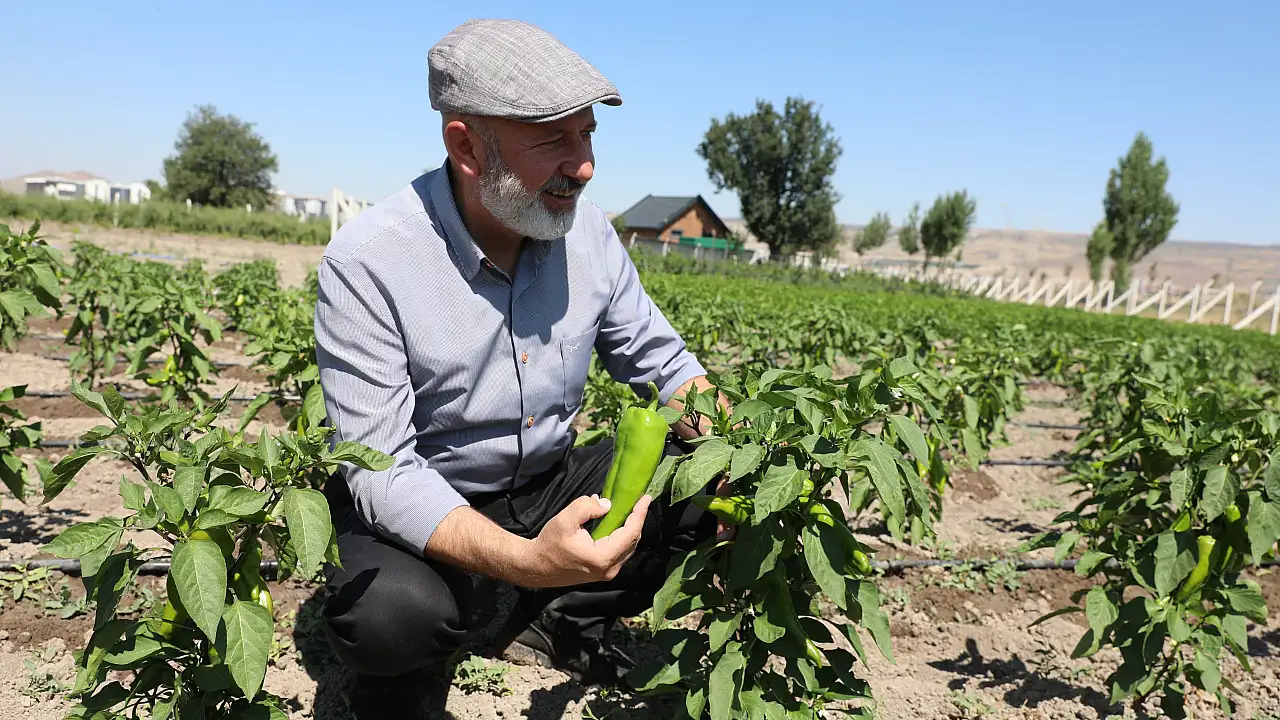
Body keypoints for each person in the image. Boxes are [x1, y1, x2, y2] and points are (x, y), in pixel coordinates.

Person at [313, 18, 731, 719]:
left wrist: (739, 457)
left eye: (587, 134)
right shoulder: (370, 262)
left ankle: (555, 621)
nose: (584, 165)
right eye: (552, 140)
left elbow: (662, 365)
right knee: (389, 614)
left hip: (546, 483)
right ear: (466, 146)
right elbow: (382, 472)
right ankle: (410, 678)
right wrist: (527, 560)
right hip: (425, 508)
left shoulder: (588, 234)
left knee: (696, 486)